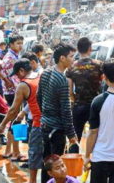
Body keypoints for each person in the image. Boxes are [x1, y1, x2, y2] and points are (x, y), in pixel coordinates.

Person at [37, 44, 78, 183]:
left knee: (47, 162)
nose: (73, 60)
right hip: (56, 130)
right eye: (71, 56)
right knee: (57, 166)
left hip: (45, 125)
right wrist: (72, 134)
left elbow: (39, 96)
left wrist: (45, 114)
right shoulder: (62, 79)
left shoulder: (46, 72)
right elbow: (65, 110)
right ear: (62, 58)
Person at [0, 58, 41, 183]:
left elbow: (12, 110)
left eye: (16, 74)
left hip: (37, 122)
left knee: (33, 154)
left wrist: (2, 125)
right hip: (50, 120)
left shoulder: (23, 85)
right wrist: (23, 113)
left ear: (21, 71)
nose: (16, 77)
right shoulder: (40, 76)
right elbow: (34, 99)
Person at [0, 35, 24, 160]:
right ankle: (13, 151)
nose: (20, 46)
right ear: (10, 45)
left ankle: (10, 150)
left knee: (14, 121)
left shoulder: (15, 55)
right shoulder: (10, 57)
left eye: (21, 43)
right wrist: (5, 79)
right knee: (15, 121)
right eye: (17, 43)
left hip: (14, 90)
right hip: (12, 92)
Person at [65, 37, 102, 143]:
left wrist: (74, 99)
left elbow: (70, 90)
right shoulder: (98, 65)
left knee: (75, 136)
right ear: (90, 48)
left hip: (79, 105)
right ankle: (96, 158)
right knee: (97, 134)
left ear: (78, 49)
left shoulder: (72, 66)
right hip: (96, 105)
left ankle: (73, 157)